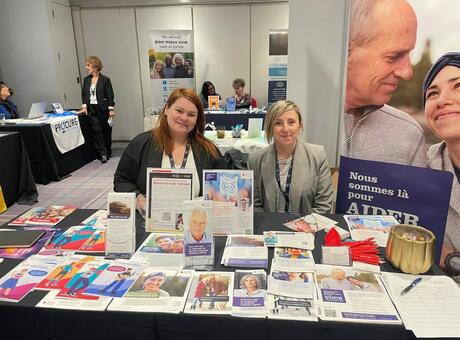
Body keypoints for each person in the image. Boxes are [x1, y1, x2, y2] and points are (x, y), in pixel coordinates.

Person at [114, 88, 226, 212]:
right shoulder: (141, 143)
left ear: (197, 119)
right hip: (152, 226)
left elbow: (224, 185)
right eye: (179, 110)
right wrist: (138, 197)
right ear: (166, 109)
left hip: (196, 225)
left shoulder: (208, 150)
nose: (184, 118)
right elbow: (121, 179)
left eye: (191, 114)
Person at [343, 0, 427, 166]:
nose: (407, 73)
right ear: (346, 50)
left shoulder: (408, 134)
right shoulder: (284, 122)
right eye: (394, 56)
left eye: (409, 55)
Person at [248, 100, 334, 214]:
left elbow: (324, 206)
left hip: (307, 228)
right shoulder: (255, 159)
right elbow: (254, 206)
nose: (285, 129)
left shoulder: (318, 155)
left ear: (300, 126)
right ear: (270, 127)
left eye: (291, 122)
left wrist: (300, 228)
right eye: (278, 123)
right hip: (268, 228)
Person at [422, 52, 460, 282]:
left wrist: (450, 259)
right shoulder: (420, 167)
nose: (442, 100)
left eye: (458, 86)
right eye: (432, 93)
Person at [79, 56, 115, 163]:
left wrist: (111, 109)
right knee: (97, 131)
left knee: (106, 131)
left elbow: (110, 95)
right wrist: (84, 106)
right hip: (91, 109)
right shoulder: (86, 80)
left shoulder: (105, 80)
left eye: (88, 65)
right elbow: (84, 94)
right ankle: (103, 154)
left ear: (95, 66)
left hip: (103, 109)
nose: (87, 68)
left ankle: (108, 151)